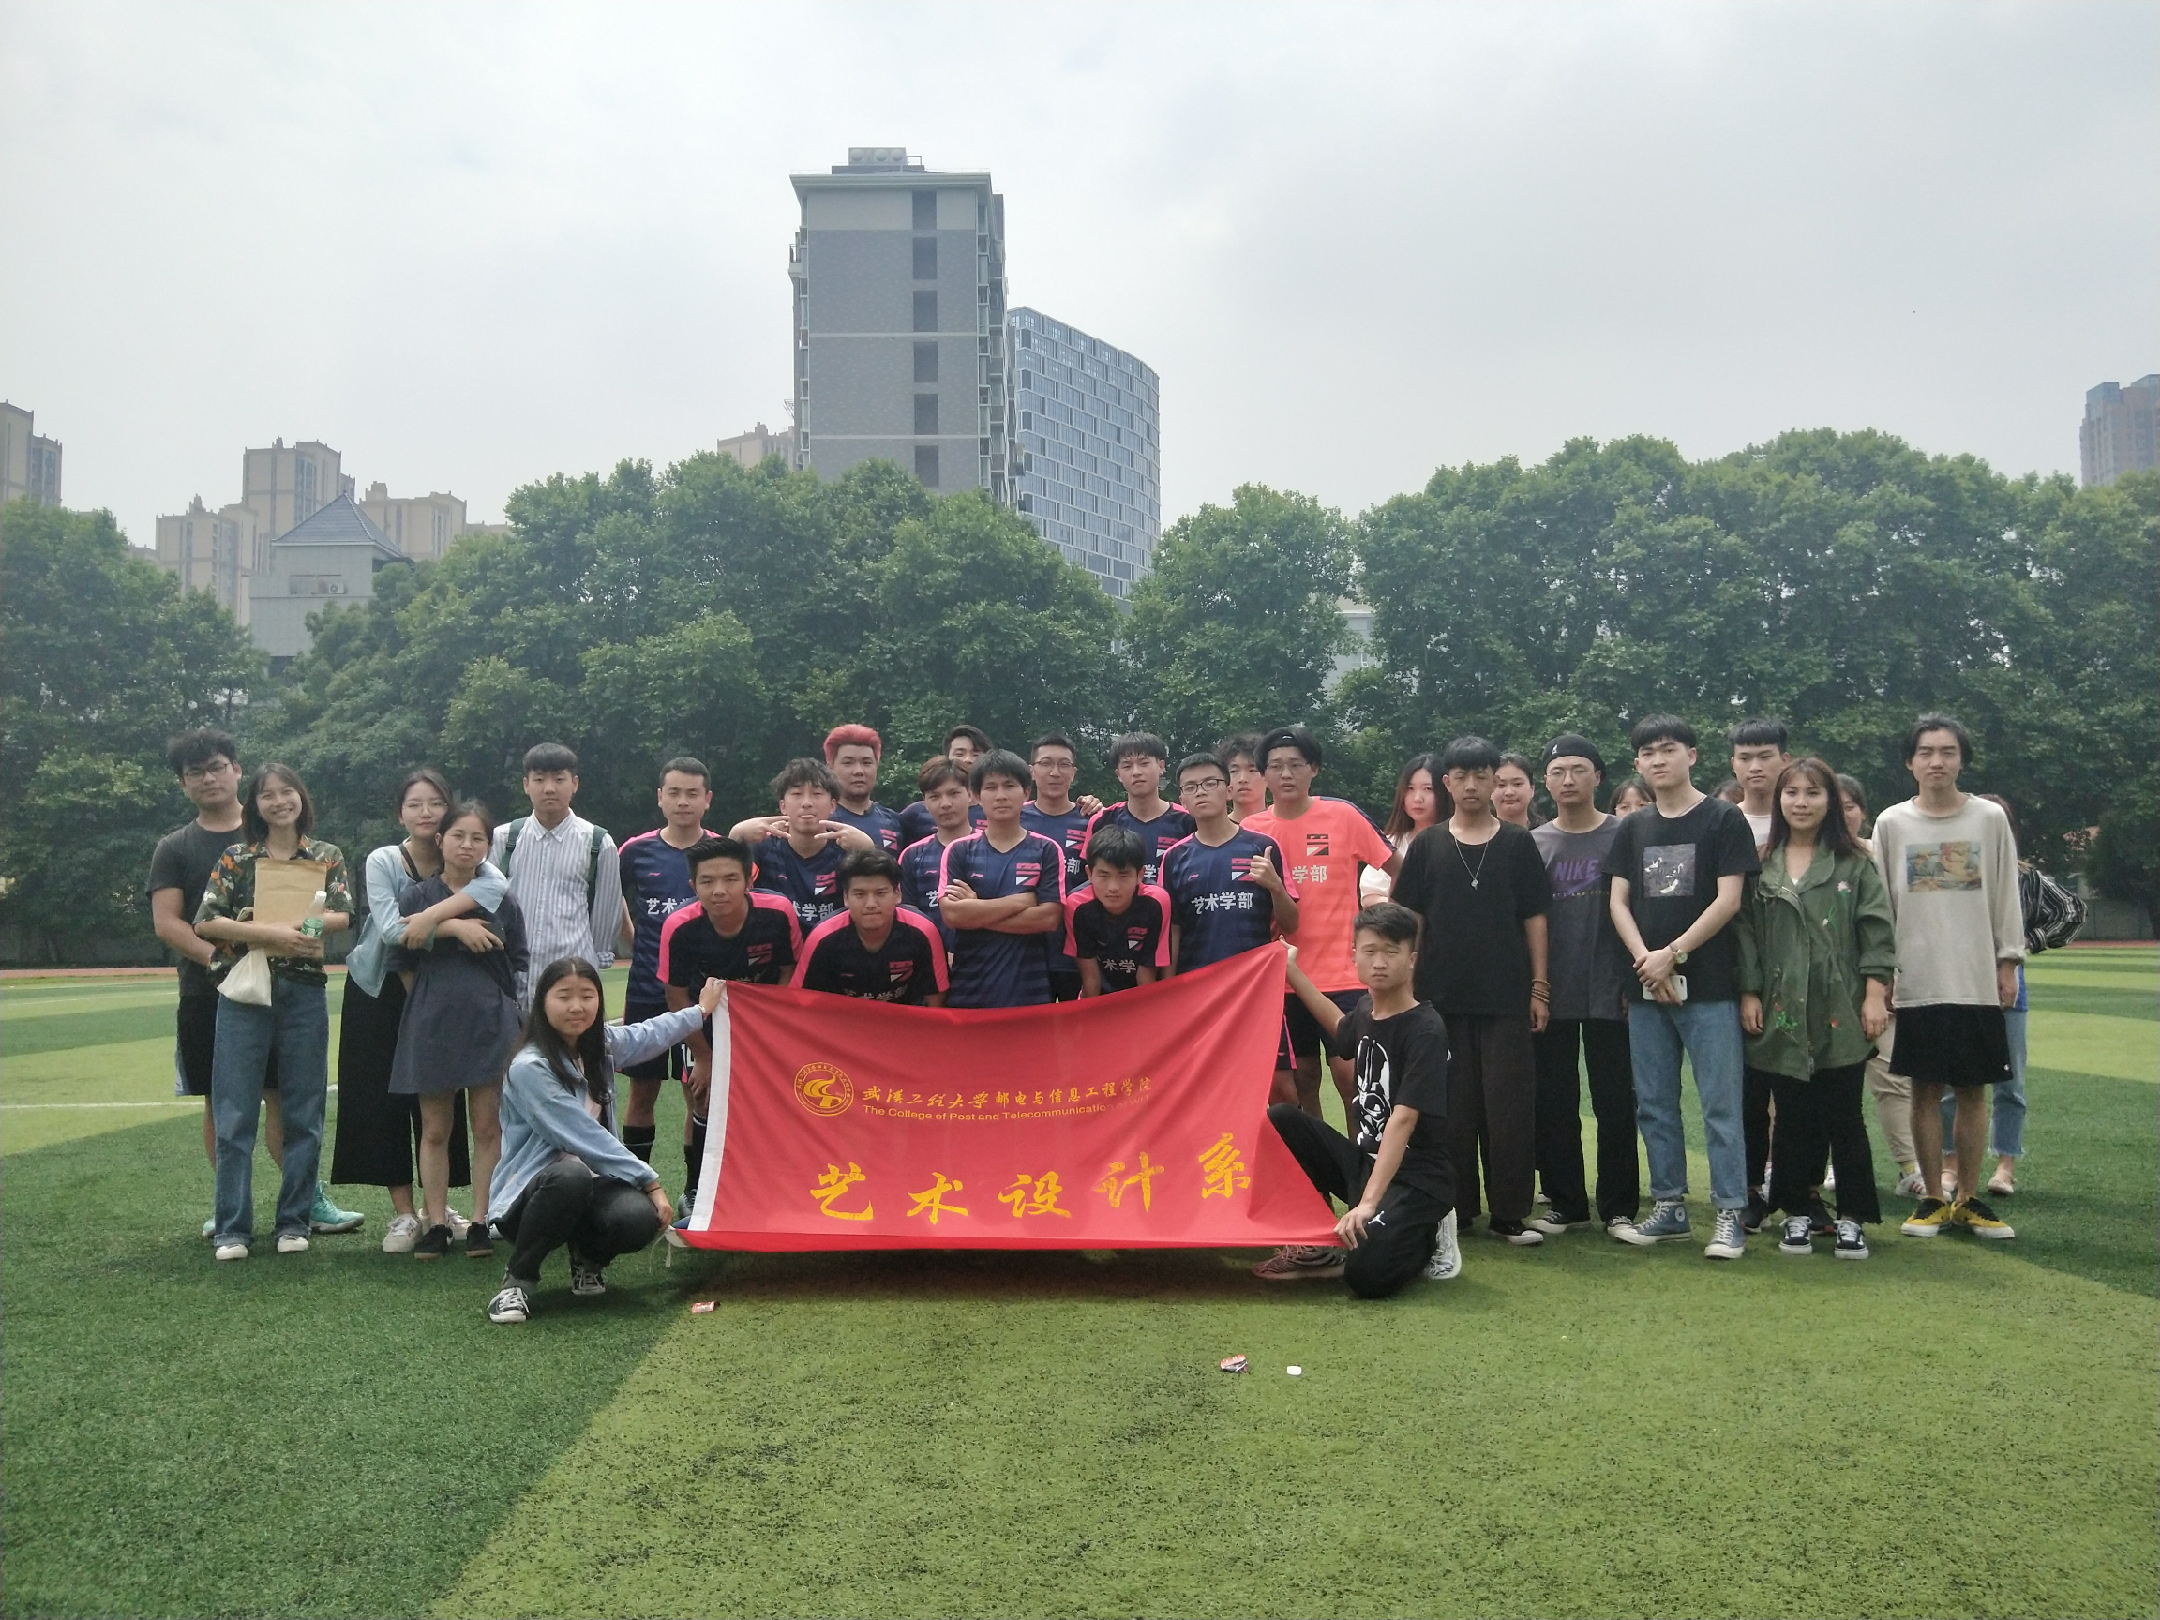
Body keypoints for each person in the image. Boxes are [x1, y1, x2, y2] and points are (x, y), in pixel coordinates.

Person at [148, 729, 334, 1239]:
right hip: (209, 992)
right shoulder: (176, 847)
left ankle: (307, 1202)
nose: (208, 779)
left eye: (217, 767)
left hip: (290, 987)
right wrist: (223, 962)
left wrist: (295, 939)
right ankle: (227, 1208)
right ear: (183, 783)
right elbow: (169, 923)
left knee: (286, 1097)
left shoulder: (285, 838)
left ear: (236, 771)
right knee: (222, 1102)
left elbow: (328, 911)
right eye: (195, 772)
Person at [484, 960, 724, 1324]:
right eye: (564, 996)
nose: (576, 1007)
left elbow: (648, 1034)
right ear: (542, 1003)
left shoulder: (599, 1045)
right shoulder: (529, 1066)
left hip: (592, 1184)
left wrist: (700, 1011)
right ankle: (517, 1280)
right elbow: (583, 1135)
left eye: (587, 996)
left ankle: (588, 1259)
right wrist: (649, 1181)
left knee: (638, 1219)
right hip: (531, 1196)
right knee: (570, 1176)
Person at [1601, 714, 1762, 1259]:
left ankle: (1730, 1211)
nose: (1657, 760)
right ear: (1637, 763)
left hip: (1710, 986)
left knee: (1720, 1105)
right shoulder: (1633, 828)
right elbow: (1618, 902)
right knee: (1653, 1103)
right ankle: (1669, 1206)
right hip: (1647, 986)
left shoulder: (1722, 818)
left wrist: (1673, 955)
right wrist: (1648, 962)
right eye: (1647, 753)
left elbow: (1729, 900)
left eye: (1667, 749)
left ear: (1691, 755)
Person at [1389, 736, 1552, 1245]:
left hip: (1506, 997)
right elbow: (1409, 919)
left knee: (1509, 1109)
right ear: (1448, 783)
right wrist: (1404, 986)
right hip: (1439, 999)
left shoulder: (1517, 843)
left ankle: (1509, 1214)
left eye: (1482, 775)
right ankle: (1454, 1209)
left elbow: (1535, 917)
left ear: (1493, 780)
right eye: (1461, 776)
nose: (1472, 785)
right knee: (1449, 1111)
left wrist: (1539, 987)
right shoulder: (1428, 845)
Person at [336, 768, 506, 1253]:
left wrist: (431, 917)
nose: (426, 812)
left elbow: (497, 892)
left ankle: (442, 1211)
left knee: (446, 1107)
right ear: (400, 813)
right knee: (386, 1101)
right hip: (381, 988)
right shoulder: (385, 859)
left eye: (435, 803)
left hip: (446, 996)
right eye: (415, 804)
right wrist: (454, 926)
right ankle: (405, 1214)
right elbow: (395, 932)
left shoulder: (473, 859)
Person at [1251, 906, 1458, 1295]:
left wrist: (1366, 1204)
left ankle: (1429, 1233)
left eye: (1391, 952)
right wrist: (1292, 971)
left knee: (1366, 1275)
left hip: (1416, 1179)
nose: (1379, 963)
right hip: (1365, 1164)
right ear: (1354, 956)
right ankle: (1316, 1246)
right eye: (1370, 951)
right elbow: (1341, 1028)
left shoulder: (1425, 1031)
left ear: (1412, 959)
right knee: (1282, 1117)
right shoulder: (1366, 1009)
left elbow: (1403, 1119)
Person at [1736, 759, 1895, 1260]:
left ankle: (1853, 1216)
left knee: (1844, 1114)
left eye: (1813, 793)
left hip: (1840, 1005)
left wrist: (1875, 995)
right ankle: (1796, 1210)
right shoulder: (1762, 864)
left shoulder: (1854, 864)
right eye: (1792, 793)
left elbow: (1877, 932)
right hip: (1780, 1008)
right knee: (1791, 1115)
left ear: (1830, 801)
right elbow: (1745, 934)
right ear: (1779, 801)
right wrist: (1749, 992)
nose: (1801, 802)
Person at [192, 763, 352, 1261]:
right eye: (267, 795)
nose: (280, 802)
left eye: (287, 792)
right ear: (255, 806)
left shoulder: (326, 855)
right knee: (234, 1112)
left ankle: (293, 1222)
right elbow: (205, 922)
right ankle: (232, 1228)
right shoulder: (237, 858)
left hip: (304, 990)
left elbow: (343, 914)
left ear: (301, 797)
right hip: (246, 990)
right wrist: (268, 932)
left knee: (305, 1110)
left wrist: (306, 929)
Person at [1872, 715, 2023, 1242]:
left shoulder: (1988, 819)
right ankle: (1933, 1198)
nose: (1937, 761)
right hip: (1916, 979)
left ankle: (1968, 1198)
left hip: (1975, 977)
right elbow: (1881, 904)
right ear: (1910, 762)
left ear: (1962, 760)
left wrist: (2008, 962)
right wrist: (1883, 974)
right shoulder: (1892, 823)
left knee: (1973, 1090)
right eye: (1926, 752)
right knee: (1924, 1090)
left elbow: (2005, 893)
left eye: (1948, 752)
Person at [391, 802, 529, 1260]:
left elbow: (518, 958)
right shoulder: (416, 897)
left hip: (490, 1021)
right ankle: (436, 1223)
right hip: (431, 1021)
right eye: (458, 836)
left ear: (488, 846)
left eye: (477, 838)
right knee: (435, 1129)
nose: (467, 845)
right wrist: (426, 1000)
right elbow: (402, 956)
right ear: (440, 840)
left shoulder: (499, 896)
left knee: (487, 1125)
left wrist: (503, 1007)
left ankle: (482, 1220)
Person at [1241, 725, 1399, 1117]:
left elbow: (1401, 869)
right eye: (1276, 766)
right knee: (1303, 1079)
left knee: (1352, 1076)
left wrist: (1393, 934)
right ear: (1264, 775)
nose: (1286, 774)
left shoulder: (1343, 815)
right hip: (1282, 977)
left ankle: (1363, 1156)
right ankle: (1318, 1157)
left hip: (1345, 973)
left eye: (1296, 764)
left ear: (1314, 769)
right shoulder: (1250, 831)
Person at [1529, 735, 1639, 1235]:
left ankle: (1619, 1207)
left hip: (1612, 988)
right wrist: (1535, 986)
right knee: (1555, 1101)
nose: (1568, 780)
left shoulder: (1625, 834)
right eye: (1558, 772)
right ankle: (1565, 1201)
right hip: (1552, 990)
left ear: (1598, 777)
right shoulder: (1534, 843)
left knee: (1616, 1102)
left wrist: (1633, 981)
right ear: (1545, 782)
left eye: (1578, 770)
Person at [659, 836, 802, 1214]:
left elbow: (789, 971)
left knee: (772, 1103)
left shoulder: (778, 913)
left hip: (765, 1025)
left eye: (730, 879)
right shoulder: (680, 926)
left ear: (749, 880)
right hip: (704, 1024)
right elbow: (676, 997)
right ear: (694, 886)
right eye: (707, 881)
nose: (719, 890)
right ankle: (696, 1190)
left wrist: (773, 1029)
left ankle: (772, 1188)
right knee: (703, 1100)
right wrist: (704, 1057)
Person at [613, 757, 715, 1197]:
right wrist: (635, 940)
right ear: (660, 797)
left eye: (692, 793)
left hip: (699, 995)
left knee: (699, 1091)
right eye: (674, 792)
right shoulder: (635, 851)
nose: (683, 801)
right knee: (642, 1091)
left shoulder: (719, 850)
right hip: (646, 990)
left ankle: (694, 1190)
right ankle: (634, 1189)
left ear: (707, 800)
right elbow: (611, 896)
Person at [488, 743, 626, 1006]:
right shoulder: (504, 839)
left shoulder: (598, 843)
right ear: (526, 785)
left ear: (574, 784)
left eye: (559, 779)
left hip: (571, 983)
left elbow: (606, 916)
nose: (549, 788)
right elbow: (488, 906)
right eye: (539, 779)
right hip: (511, 981)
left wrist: (592, 961)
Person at [1840, 772, 1925, 1195]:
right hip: (1826, 990)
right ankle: (1833, 1163)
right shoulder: (1801, 857)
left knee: (1892, 1078)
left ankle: (1910, 1168)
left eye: (1849, 806)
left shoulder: (1879, 854)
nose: (1842, 814)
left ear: (1863, 811)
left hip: (1881, 985)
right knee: (1827, 1085)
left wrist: (1885, 981)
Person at [939, 750, 1067, 1009]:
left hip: (1030, 993)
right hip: (969, 991)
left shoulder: (1047, 850)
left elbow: (1048, 919)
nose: (1000, 795)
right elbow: (953, 916)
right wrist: (1022, 901)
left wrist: (977, 909)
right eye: (990, 787)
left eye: (1009, 786)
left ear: (1026, 793)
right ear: (976, 795)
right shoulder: (959, 851)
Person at [1161, 752, 1299, 974]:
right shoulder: (1174, 857)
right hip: (1197, 981)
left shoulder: (1263, 846)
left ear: (1228, 790)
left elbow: (1291, 924)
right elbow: (1172, 930)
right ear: (1182, 800)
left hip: (1255, 980)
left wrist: (1276, 887)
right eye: (1191, 787)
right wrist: (1169, 986)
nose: (1201, 792)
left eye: (1210, 783)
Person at [727, 757, 876, 935]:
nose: (806, 803)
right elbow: (728, 882)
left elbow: (879, 896)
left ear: (832, 806)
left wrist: (869, 850)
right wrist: (735, 836)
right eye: (797, 794)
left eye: (817, 794)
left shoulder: (848, 850)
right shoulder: (762, 848)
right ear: (783, 806)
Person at [793, 849, 950, 1005]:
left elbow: (936, 999)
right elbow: (801, 999)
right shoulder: (822, 936)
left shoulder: (923, 931)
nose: (871, 904)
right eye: (860, 894)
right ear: (846, 898)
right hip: (842, 1017)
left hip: (904, 1017)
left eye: (880, 893)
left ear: (897, 894)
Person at [1022, 731, 1103, 1002]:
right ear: (1032, 771)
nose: (1055, 772)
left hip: (1077, 950)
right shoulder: (1014, 818)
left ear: (1074, 772)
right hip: (1026, 950)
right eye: (1046, 763)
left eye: (1063, 764)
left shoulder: (1092, 819)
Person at [1063, 826, 1173, 996]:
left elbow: (1146, 974)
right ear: (1089, 873)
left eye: (1123, 875)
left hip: (1141, 993)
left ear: (1140, 874)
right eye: (1103, 875)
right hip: (1100, 993)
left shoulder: (1157, 902)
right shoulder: (1077, 905)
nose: (1113, 887)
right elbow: (1091, 978)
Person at [1086, 732, 1196, 887]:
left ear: (1161, 766)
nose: (1136, 772)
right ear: (1118, 774)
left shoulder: (1188, 821)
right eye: (1127, 766)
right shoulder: (1102, 821)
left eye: (1144, 763)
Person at [899, 756, 976, 949]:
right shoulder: (912, 856)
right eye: (935, 797)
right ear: (924, 802)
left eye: (953, 793)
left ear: (970, 794)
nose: (945, 803)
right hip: (930, 959)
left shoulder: (992, 847)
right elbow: (908, 919)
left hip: (984, 960)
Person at [1360, 752, 1441, 906]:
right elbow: (1369, 898)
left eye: (1428, 789)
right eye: (1410, 788)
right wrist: (1405, 906)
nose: (1417, 798)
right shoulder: (1391, 843)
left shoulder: (1458, 842)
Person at [897, 725, 991, 845]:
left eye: (976, 754)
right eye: (960, 754)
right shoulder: (915, 814)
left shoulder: (994, 810)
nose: (968, 759)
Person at [824, 725, 905, 852]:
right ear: (830, 767)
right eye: (848, 763)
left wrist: (867, 848)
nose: (859, 771)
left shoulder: (895, 822)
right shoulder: (820, 821)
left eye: (866, 763)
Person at [1729, 718, 1792, 849]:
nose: (1755, 768)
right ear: (1733, 764)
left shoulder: (1799, 820)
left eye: (1765, 757)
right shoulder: (1722, 822)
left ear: (1784, 761)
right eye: (1744, 758)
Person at [1217, 732, 1269, 823]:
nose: (1242, 779)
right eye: (1234, 771)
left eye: (1252, 770)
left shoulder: (1282, 824)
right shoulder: (1217, 828)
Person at [1493, 752, 1542, 830]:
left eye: (1517, 784)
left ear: (1532, 789)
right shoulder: (1478, 836)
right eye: (1501, 785)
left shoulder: (1547, 835)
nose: (1509, 792)